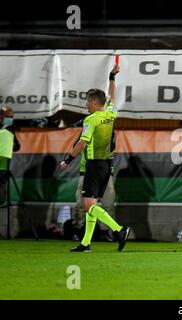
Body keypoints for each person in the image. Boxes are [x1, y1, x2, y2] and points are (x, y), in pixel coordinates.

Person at [59, 63, 130, 252]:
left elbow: (82, 143)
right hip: (107, 164)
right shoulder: (110, 113)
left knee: (88, 205)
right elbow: (112, 96)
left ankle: (119, 229)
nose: (86, 104)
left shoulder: (90, 120)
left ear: (93, 102)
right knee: (92, 204)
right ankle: (85, 243)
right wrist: (112, 77)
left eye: (87, 101)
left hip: (94, 165)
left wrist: (67, 160)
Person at [0, 106, 21, 204]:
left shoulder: (9, 131)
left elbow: (17, 147)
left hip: (3, 168)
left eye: (12, 117)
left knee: (1, 198)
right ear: (1, 116)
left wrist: (10, 140)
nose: (10, 119)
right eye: (8, 117)